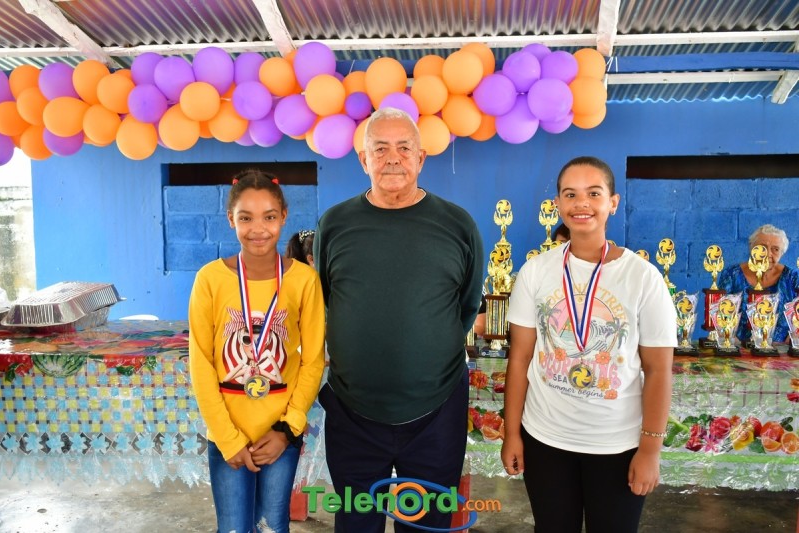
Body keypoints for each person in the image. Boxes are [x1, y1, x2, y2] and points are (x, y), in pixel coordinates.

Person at [313, 107, 484, 532]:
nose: (393, 158)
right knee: (355, 523)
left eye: (404, 148)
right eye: (380, 148)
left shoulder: (458, 225)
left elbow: (465, 307)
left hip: (436, 412)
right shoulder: (334, 224)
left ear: (421, 158)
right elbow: (326, 301)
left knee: (425, 525)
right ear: (363, 159)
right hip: (352, 412)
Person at [501, 156, 677, 533]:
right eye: (570, 194)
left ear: (612, 202)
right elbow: (520, 358)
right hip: (545, 439)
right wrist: (512, 433)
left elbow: (659, 369)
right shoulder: (535, 272)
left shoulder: (643, 278)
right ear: (558, 204)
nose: (581, 203)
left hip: (617, 445)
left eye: (593, 193)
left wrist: (650, 450)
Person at [188, 169, 325, 533]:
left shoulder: (304, 280)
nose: (258, 229)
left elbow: (313, 360)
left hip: (279, 434)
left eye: (269, 217)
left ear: (284, 217)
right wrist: (227, 437)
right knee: (234, 527)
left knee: (273, 526)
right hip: (227, 434)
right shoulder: (210, 280)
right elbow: (201, 363)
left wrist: (288, 428)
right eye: (246, 218)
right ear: (230, 219)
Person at [717, 224, 799, 344]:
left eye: (775, 249)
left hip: (782, 348)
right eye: (762, 247)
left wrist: (794, 338)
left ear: (782, 253)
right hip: (738, 346)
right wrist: (731, 341)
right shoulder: (732, 275)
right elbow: (719, 313)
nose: (768, 254)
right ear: (751, 248)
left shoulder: (793, 278)